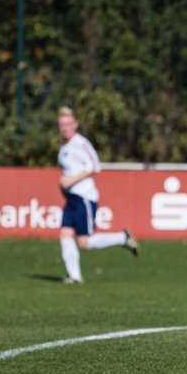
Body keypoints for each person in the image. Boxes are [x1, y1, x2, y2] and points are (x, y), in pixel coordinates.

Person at [56, 106, 139, 283]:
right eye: (62, 124)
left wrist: (71, 181)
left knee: (85, 242)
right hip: (71, 199)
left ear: (75, 125)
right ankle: (75, 276)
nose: (65, 128)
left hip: (84, 197)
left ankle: (122, 238)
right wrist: (64, 188)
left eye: (68, 124)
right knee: (64, 234)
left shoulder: (81, 143)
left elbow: (95, 166)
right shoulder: (63, 146)